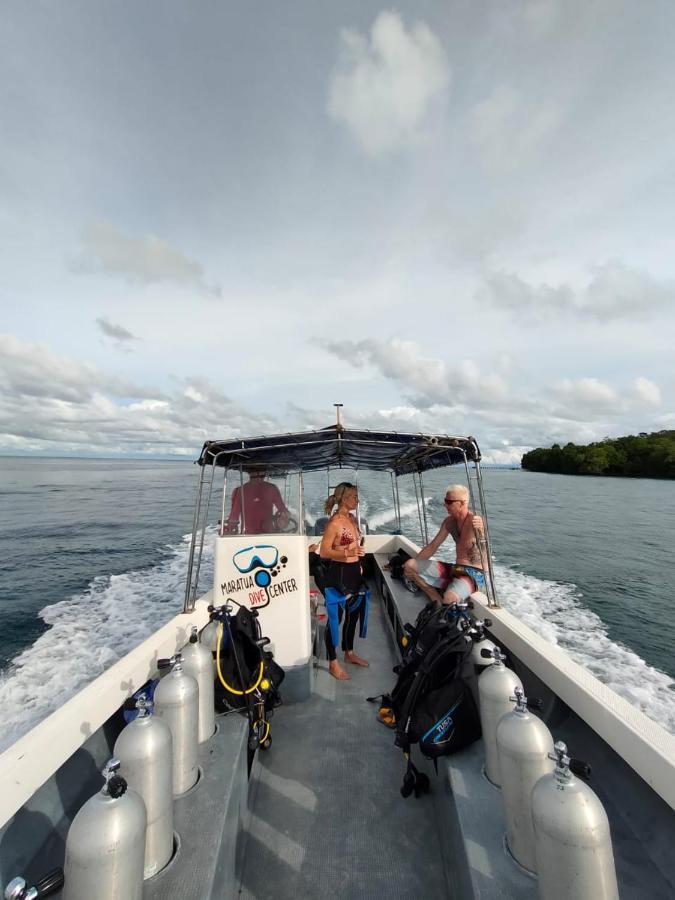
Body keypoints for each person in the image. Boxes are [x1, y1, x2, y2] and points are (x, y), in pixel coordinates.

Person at [403, 484, 486, 605]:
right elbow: (433, 546)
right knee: (409, 565)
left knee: (450, 597)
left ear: (462, 503)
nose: (445, 505)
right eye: (445, 501)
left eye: (449, 502)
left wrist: (482, 531)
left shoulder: (476, 521)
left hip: (475, 574)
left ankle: (445, 599)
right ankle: (436, 599)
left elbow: (485, 545)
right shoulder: (449, 522)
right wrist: (409, 569)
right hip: (456, 568)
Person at [319, 482, 368, 680]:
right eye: (355, 497)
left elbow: (354, 544)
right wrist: (348, 552)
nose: (357, 500)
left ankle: (348, 653)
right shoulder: (335, 523)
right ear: (345, 499)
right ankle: (333, 662)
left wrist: (358, 560)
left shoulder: (352, 519)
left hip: (355, 572)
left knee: (353, 614)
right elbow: (324, 552)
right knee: (335, 618)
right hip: (338, 574)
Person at [224, 471, 290, 535]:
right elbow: (234, 517)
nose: (258, 475)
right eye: (256, 470)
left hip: (267, 534)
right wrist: (228, 528)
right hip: (250, 535)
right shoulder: (240, 491)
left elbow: (283, 512)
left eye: (260, 470)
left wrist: (284, 519)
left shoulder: (272, 489)